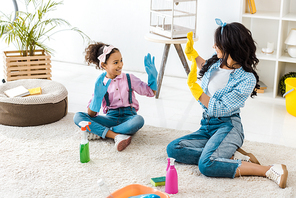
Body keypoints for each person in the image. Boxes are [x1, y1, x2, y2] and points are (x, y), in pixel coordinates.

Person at [166, 19, 288, 188]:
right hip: (207, 125)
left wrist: (197, 92)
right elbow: (205, 68)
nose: (213, 46)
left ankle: (268, 169)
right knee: (173, 149)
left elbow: (221, 108)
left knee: (206, 165)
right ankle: (228, 155)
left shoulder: (247, 79)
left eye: (217, 43)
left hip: (228, 126)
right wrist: (192, 54)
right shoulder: (218, 62)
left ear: (229, 47)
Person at [73, 42, 158, 151]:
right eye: (116, 62)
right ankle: (116, 135)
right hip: (111, 118)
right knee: (78, 116)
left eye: (121, 60)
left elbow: (150, 92)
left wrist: (152, 78)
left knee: (139, 120)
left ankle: (102, 132)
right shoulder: (101, 83)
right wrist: (98, 97)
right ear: (104, 65)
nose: (120, 65)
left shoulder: (129, 78)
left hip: (129, 118)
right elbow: (91, 114)